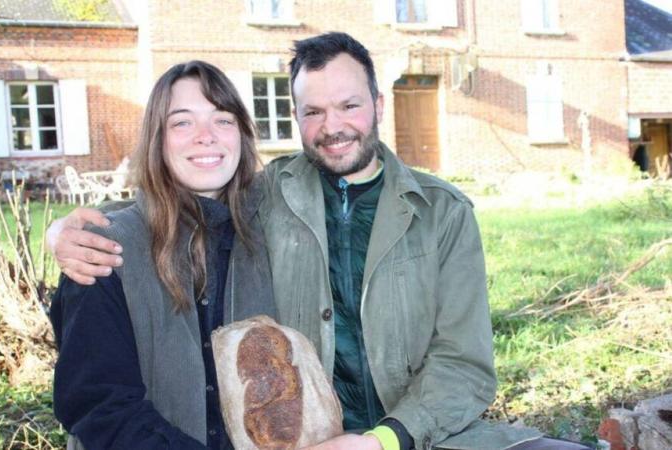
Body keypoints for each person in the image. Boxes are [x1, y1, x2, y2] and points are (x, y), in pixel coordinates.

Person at [47, 33, 591, 450]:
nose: (333, 127)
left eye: (349, 106)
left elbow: (464, 363)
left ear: (378, 103)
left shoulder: (442, 212)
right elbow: (180, 207)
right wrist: (67, 233)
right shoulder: (267, 199)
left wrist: (380, 441)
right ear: (294, 117)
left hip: (418, 434)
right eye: (313, 112)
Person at [50, 60, 275, 450]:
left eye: (222, 119)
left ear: (242, 134)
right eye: (182, 122)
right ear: (157, 138)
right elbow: (99, 407)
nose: (206, 137)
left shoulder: (264, 238)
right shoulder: (103, 250)